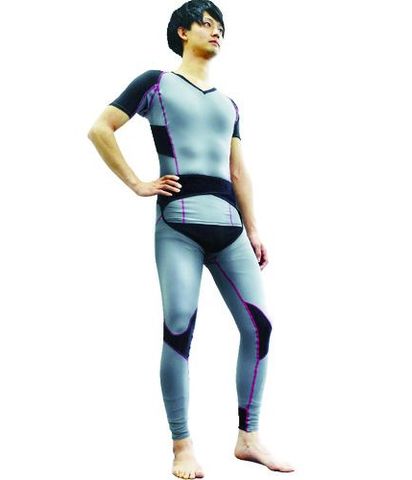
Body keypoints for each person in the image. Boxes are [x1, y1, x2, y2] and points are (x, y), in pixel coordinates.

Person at [87, 1, 294, 477]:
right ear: (183, 32)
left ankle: (248, 437)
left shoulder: (228, 104)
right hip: (178, 224)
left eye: (221, 27)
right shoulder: (155, 83)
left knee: (259, 328)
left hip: (230, 228)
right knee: (179, 327)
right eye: (206, 23)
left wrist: (254, 228)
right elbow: (100, 129)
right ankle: (182, 445)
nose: (216, 31)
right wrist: (138, 183)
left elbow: (238, 170)